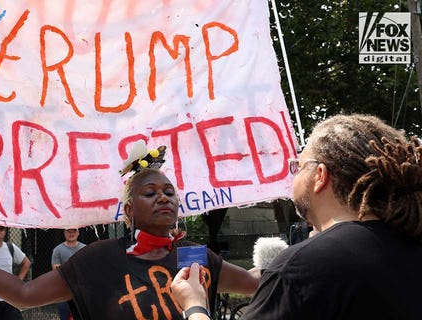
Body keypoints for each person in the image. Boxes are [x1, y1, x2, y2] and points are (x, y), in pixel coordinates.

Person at [0, 145, 259, 320]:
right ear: (128, 212)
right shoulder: (98, 258)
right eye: (150, 193)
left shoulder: (195, 257)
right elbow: (21, 295)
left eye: (169, 192)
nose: (163, 198)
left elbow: (258, 284)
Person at [172, 114, 422, 319]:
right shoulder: (410, 243)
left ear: (320, 175)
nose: (293, 176)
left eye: (298, 166)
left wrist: (195, 307)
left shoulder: (303, 268)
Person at [0, 225, 31, 320]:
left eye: (1, 229)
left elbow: (26, 262)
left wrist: (19, 279)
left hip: (10, 297)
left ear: (5, 232)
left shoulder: (10, 247)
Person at [51, 227, 86, 320]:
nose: (71, 234)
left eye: (73, 231)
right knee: (64, 315)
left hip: (81, 289)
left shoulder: (84, 249)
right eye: (68, 232)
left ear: (78, 233)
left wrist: (66, 269)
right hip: (63, 289)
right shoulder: (58, 250)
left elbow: (87, 268)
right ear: (64, 233)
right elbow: (56, 270)